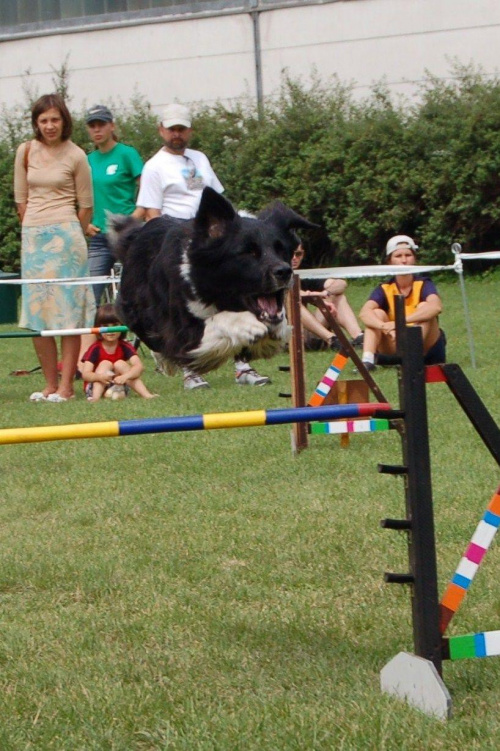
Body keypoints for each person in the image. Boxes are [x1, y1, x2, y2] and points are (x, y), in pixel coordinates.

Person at [136, 102, 270, 390]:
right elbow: (152, 214)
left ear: (190, 131)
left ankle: (243, 366)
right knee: (186, 309)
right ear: (161, 130)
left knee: (237, 300)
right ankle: (190, 370)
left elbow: (222, 202)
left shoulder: (200, 159)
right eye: (172, 129)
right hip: (179, 247)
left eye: (182, 129)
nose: (177, 134)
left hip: (215, 244)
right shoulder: (153, 167)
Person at [14, 93, 95, 403]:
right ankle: (48, 385)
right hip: (34, 238)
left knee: (67, 314)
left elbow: (86, 205)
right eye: (44, 120)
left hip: (67, 239)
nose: (49, 126)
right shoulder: (24, 152)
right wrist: (36, 229)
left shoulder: (76, 155)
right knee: (38, 313)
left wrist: (64, 229)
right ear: (37, 123)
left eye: (55, 120)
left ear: (65, 121)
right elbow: (20, 199)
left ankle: (66, 387)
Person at [85, 104, 145, 305]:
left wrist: (134, 218)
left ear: (112, 126)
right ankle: (90, 336)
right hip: (100, 236)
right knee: (90, 295)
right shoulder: (87, 160)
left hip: (127, 235)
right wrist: (84, 223)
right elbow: (79, 195)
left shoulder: (126, 153)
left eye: (101, 124)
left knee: (138, 290)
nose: (97, 130)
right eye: (92, 125)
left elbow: (147, 190)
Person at [359, 235, 446, 371]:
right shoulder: (385, 287)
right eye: (398, 256)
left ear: (414, 259)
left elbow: (436, 307)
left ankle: (411, 356)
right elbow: (364, 313)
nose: (404, 260)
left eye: (408, 255)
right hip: (394, 339)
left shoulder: (424, 283)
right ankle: (367, 362)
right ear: (390, 261)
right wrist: (384, 326)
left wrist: (399, 323)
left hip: (424, 344)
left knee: (425, 307)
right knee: (376, 313)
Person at [292, 241, 364, 351]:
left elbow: (341, 283)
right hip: (287, 335)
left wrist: (326, 293)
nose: (294, 258)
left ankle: (358, 337)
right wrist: (313, 295)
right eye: (290, 253)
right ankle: (331, 339)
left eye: (298, 254)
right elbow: (290, 293)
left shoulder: (304, 274)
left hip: (309, 332)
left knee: (337, 296)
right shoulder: (275, 275)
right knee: (293, 302)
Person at [80, 304, 158, 401]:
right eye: (105, 326)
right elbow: (86, 374)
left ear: (122, 326)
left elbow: (139, 367)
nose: (111, 331)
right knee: (105, 363)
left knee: (120, 364)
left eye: (115, 325)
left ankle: (146, 395)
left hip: (119, 383)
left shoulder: (124, 346)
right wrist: (100, 377)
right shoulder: (95, 348)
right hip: (95, 385)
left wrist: (125, 376)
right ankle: (95, 398)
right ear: (98, 328)